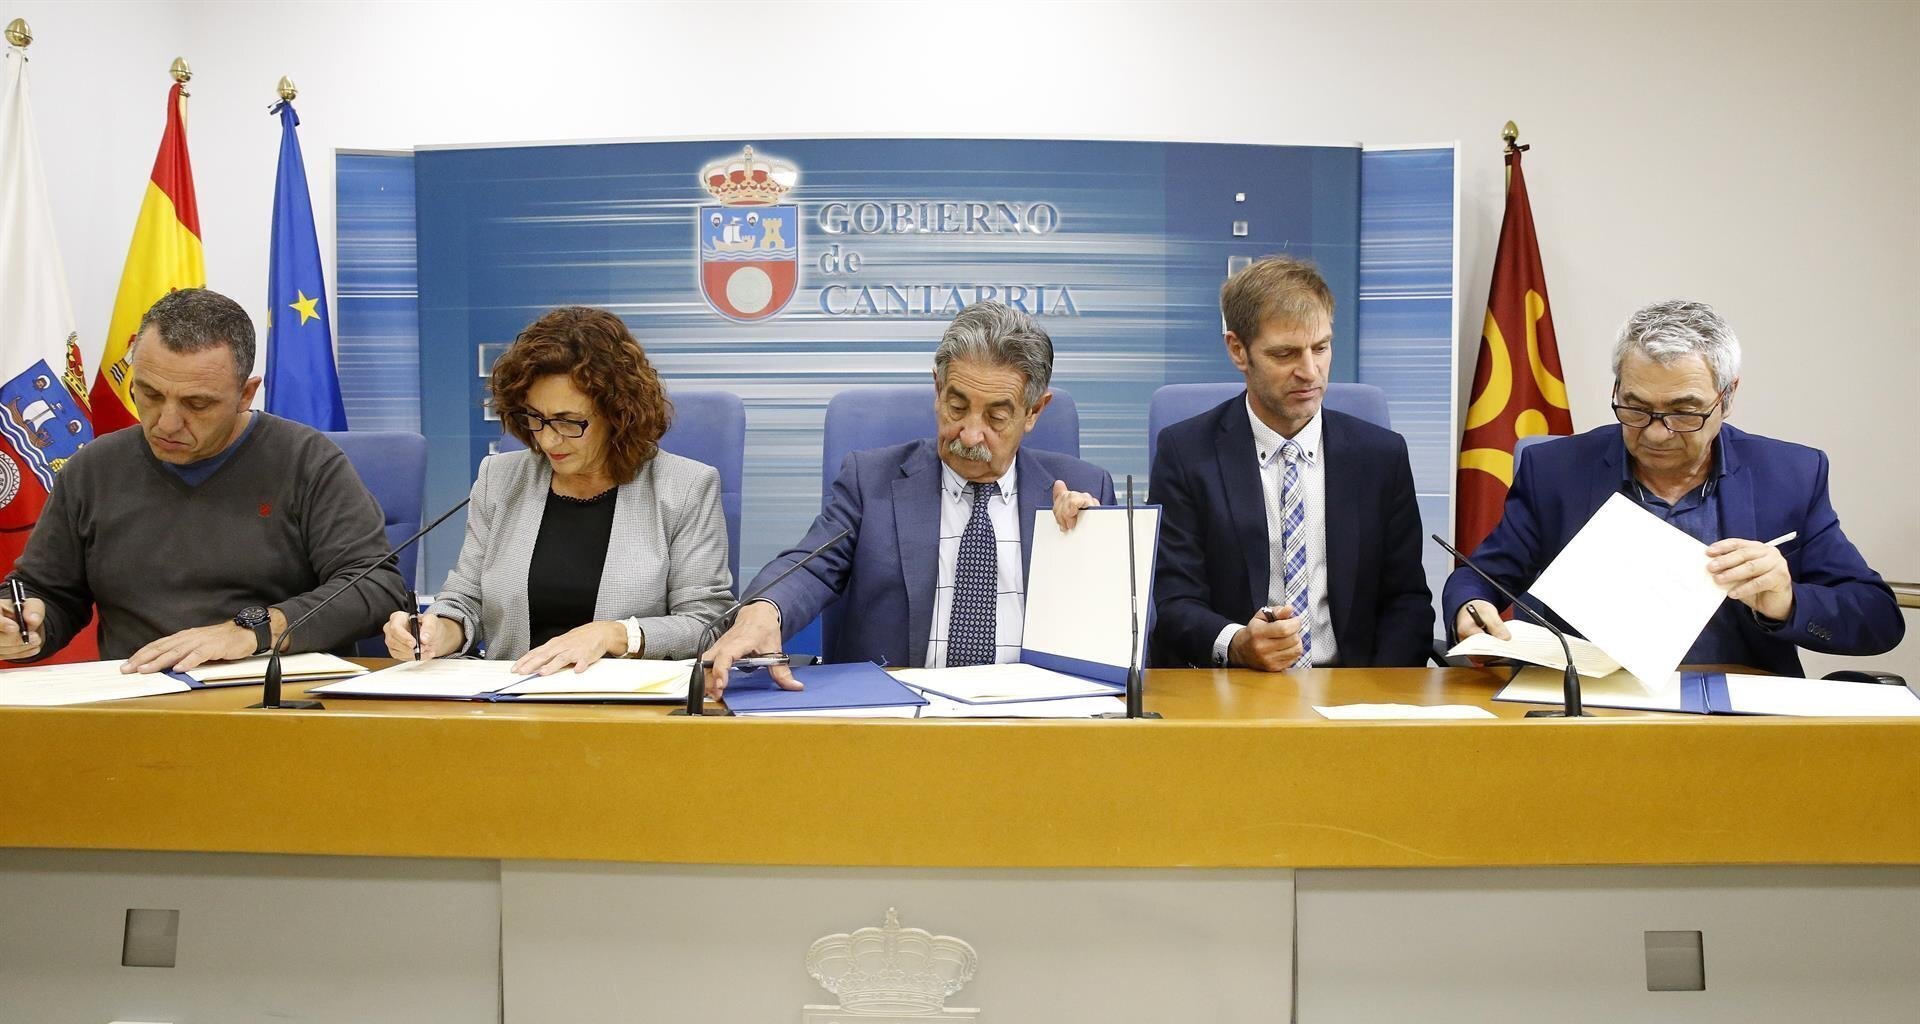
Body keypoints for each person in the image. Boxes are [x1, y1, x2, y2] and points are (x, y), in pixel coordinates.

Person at [1446, 299, 1902, 674]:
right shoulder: (1556, 471)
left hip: (1735, 713)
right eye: (1636, 408)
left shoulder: (1788, 476)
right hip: (1586, 707)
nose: (1656, 434)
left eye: (1684, 413)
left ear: (1727, 397)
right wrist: (1470, 605)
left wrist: (1786, 601)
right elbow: (1480, 576)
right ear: (1618, 389)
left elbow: (1877, 617)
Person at [702, 301, 1115, 696]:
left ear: (1034, 411)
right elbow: (811, 566)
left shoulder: (1084, 489)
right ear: (938, 390)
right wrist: (765, 608)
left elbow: (1126, 636)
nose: (971, 435)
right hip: (897, 718)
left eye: (996, 417)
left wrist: (1093, 548)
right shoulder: (871, 482)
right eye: (957, 407)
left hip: (1040, 719)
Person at [0, 287, 405, 669]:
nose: (167, 422)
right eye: (150, 394)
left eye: (197, 403)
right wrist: (26, 624)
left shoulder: (307, 462)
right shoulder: (93, 468)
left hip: (274, 695)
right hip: (137, 699)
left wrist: (253, 632)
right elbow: (46, 592)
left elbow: (375, 588)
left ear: (246, 394)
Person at [386, 307, 732, 671]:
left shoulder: (685, 487)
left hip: (621, 699)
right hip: (511, 692)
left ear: (617, 415)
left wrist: (614, 635)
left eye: (569, 422)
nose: (548, 439)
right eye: (536, 418)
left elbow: (705, 624)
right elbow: (466, 600)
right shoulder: (499, 478)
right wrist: (436, 632)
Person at [1150, 255, 1433, 670]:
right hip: (1236, 685)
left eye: (1321, 348)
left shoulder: (1380, 457)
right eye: (1285, 354)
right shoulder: (1186, 453)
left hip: (1352, 687)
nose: (1310, 371)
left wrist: (1374, 693)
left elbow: (1407, 602)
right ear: (1238, 350)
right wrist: (1237, 644)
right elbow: (1174, 600)